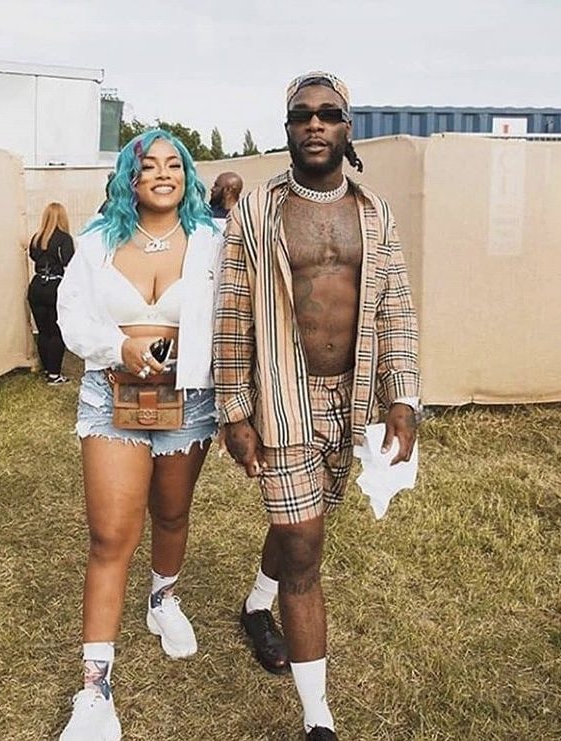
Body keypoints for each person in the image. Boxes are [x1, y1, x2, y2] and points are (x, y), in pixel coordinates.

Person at [213, 71, 420, 740]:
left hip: (350, 399)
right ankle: (317, 719)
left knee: (301, 523)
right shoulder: (256, 211)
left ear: (346, 127)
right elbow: (231, 314)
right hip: (282, 397)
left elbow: (394, 309)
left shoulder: (375, 212)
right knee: (304, 546)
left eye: (328, 114)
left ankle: (256, 605)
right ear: (288, 128)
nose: (314, 123)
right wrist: (233, 410)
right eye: (302, 114)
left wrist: (402, 397)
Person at [56, 129, 222, 740]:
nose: (162, 174)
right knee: (110, 535)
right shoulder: (96, 241)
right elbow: (71, 316)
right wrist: (117, 346)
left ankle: (162, 600)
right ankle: (95, 690)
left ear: (187, 177)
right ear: (130, 177)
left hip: (190, 401)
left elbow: (235, 315)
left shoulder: (214, 241)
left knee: (172, 513)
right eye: (148, 165)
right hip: (110, 396)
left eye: (174, 164)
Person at [27, 202, 75, 385]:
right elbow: (69, 261)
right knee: (56, 331)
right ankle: (54, 375)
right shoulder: (64, 238)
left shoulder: (36, 238)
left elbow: (33, 256)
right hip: (55, 287)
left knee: (43, 331)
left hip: (36, 286)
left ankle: (48, 368)